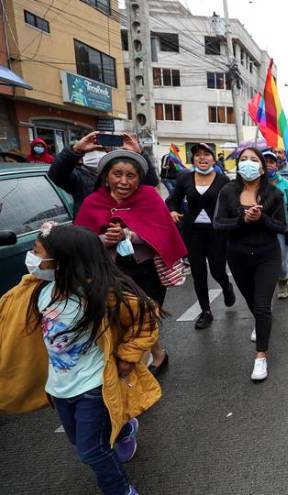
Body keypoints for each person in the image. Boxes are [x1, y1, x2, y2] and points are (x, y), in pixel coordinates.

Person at [0, 223, 161, 495]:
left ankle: (121, 490)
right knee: (78, 440)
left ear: (63, 262)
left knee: (91, 451)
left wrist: (127, 357)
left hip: (94, 386)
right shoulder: (37, 289)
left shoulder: (100, 296)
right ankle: (124, 429)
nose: (32, 258)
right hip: (59, 387)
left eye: (37, 252)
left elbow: (146, 318)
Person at [75, 150, 186, 376]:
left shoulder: (149, 197)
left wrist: (129, 234)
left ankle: (134, 379)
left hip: (147, 272)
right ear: (106, 176)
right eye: (117, 174)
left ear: (139, 178)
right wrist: (104, 239)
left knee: (144, 319)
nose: (124, 181)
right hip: (111, 273)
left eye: (131, 175)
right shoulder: (92, 201)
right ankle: (158, 354)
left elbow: (163, 232)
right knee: (126, 323)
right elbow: (81, 239)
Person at [213, 146, 287, 381]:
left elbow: (281, 227)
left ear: (262, 168)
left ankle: (260, 356)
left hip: (268, 255)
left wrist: (262, 218)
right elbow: (218, 224)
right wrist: (243, 219)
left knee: (263, 306)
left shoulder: (274, 194)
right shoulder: (227, 191)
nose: (247, 163)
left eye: (253, 159)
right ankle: (260, 322)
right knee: (253, 302)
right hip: (238, 255)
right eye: (243, 159)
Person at [166, 143, 235, 329]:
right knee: (198, 273)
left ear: (213, 158)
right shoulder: (184, 178)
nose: (202, 158)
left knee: (217, 270)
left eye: (206, 155)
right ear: (193, 159)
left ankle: (226, 286)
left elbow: (231, 205)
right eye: (198, 155)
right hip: (193, 233)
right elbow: (173, 200)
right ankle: (206, 311)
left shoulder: (223, 181)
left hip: (216, 234)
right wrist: (172, 211)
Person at [48, 131, 159, 215]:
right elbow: (56, 175)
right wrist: (76, 149)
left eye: (101, 150)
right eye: (91, 151)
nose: (123, 181)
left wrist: (139, 154)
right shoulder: (79, 177)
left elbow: (151, 182)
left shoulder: (129, 178)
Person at [263, 149, 288, 300]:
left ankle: (283, 282)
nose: (268, 165)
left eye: (271, 162)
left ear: (276, 165)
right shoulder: (254, 184)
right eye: (265, 162)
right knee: (263, 263)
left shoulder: (285, 184)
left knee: (282, 263)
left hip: (280, 230)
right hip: (261, 230)